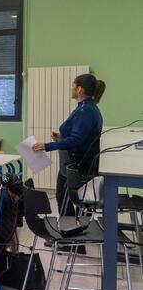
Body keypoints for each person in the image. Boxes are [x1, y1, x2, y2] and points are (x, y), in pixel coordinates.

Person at [33, 73, 106, 216]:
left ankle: (70, 228)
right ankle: (73, 227)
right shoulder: (88, 108)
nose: (71, 88)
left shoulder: (84, 111)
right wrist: (61, 137)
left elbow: (77, 140)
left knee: (65, 197)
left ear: (79, 89)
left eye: (73, 85)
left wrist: (47, 146)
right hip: (79, 162)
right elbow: (82, 136)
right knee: (72, 199)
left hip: (75, 165)